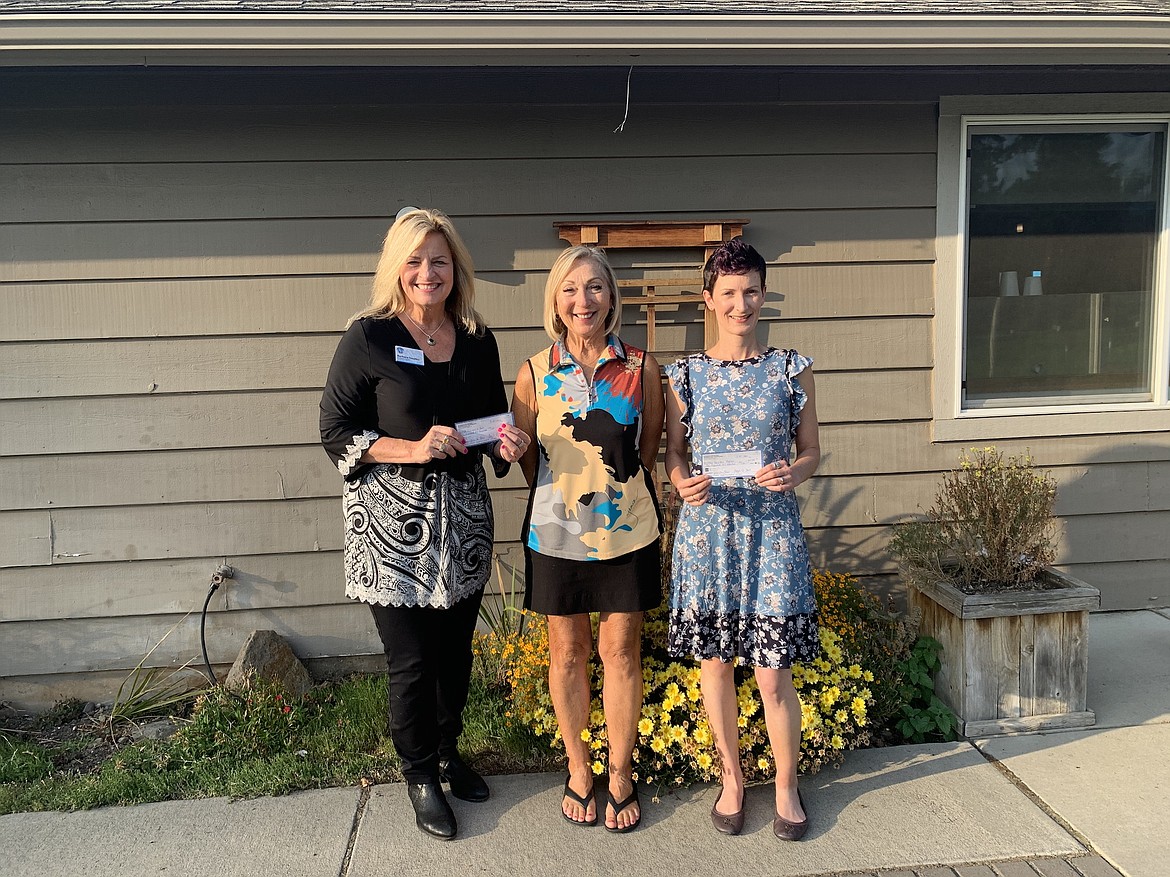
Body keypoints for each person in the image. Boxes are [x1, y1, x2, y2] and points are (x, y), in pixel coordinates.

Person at [319, 207, 530, 841]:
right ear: (396, 268)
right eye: (413, 260)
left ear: (455, 267)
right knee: (412, 662)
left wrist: (507, 442)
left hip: (462, 525)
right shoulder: (369, 338)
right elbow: (335, 431)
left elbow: (490, 419)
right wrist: (410, 448)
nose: (427, 272)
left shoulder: (475, 337)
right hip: (393, 530)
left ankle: (447, 750)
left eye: (438, 260)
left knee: (455, 656)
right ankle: (419, 775)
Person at [663, 238, 821, 841]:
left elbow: (810, 451)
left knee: (774, 674)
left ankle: (785, 783)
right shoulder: (685, 375)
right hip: (709, 536)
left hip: (772, 536)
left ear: (763, 294)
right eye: (728, 293)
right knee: (716, 667)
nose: (740, 303)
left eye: (750, 290)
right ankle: (732, 779)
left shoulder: (791, 368)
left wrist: (794, 472)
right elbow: (674, 454)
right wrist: (681, 483)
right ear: (709, 299)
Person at [511, 245, 664, 833]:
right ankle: (579, 768)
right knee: (567, 654)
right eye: (571, 289)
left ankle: (620, 773)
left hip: (627, 532)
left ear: (611, 296)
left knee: (621, 654)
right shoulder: (532, 372)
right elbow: (530, 460)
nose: (584, 300)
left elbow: (645, 450)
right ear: (556, 298)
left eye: (596, 287)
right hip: (556, 532)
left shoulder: (641, 366)